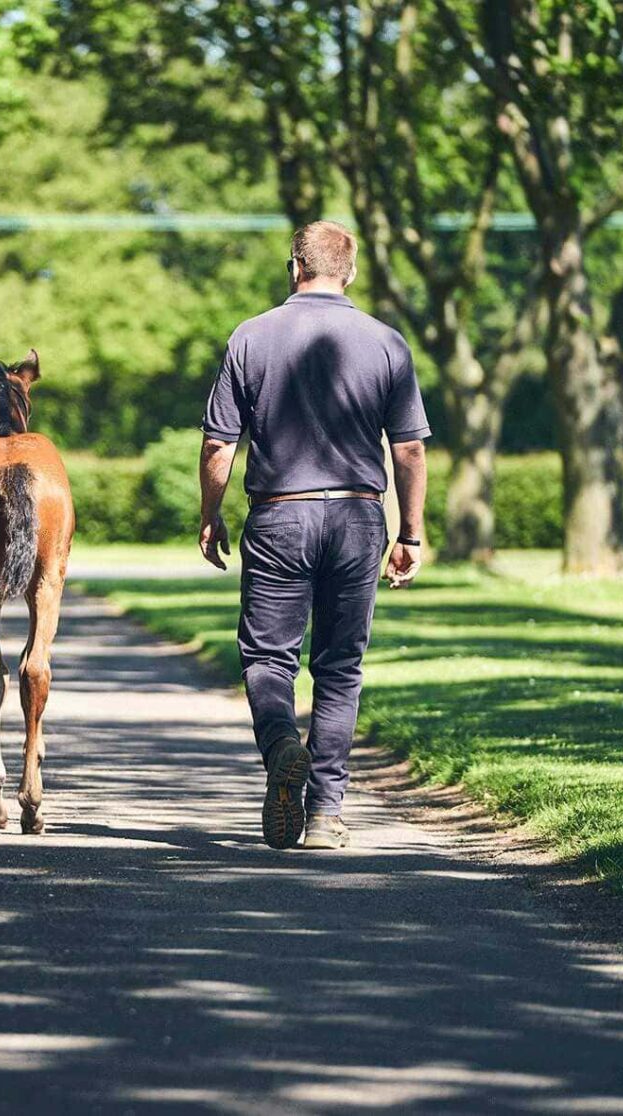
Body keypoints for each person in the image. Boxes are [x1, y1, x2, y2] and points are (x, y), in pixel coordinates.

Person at [197, 221, 431, 851]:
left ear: (292, 266)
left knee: (268, 658)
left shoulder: (252, 336)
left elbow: (221, 442)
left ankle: (280, 747)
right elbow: (407, 449)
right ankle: (325, 813)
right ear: (349, 272)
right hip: (359, 517)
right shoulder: (386, 343)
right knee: (339, 666)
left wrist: (210, 512)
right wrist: (410, 532)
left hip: (280, 514)